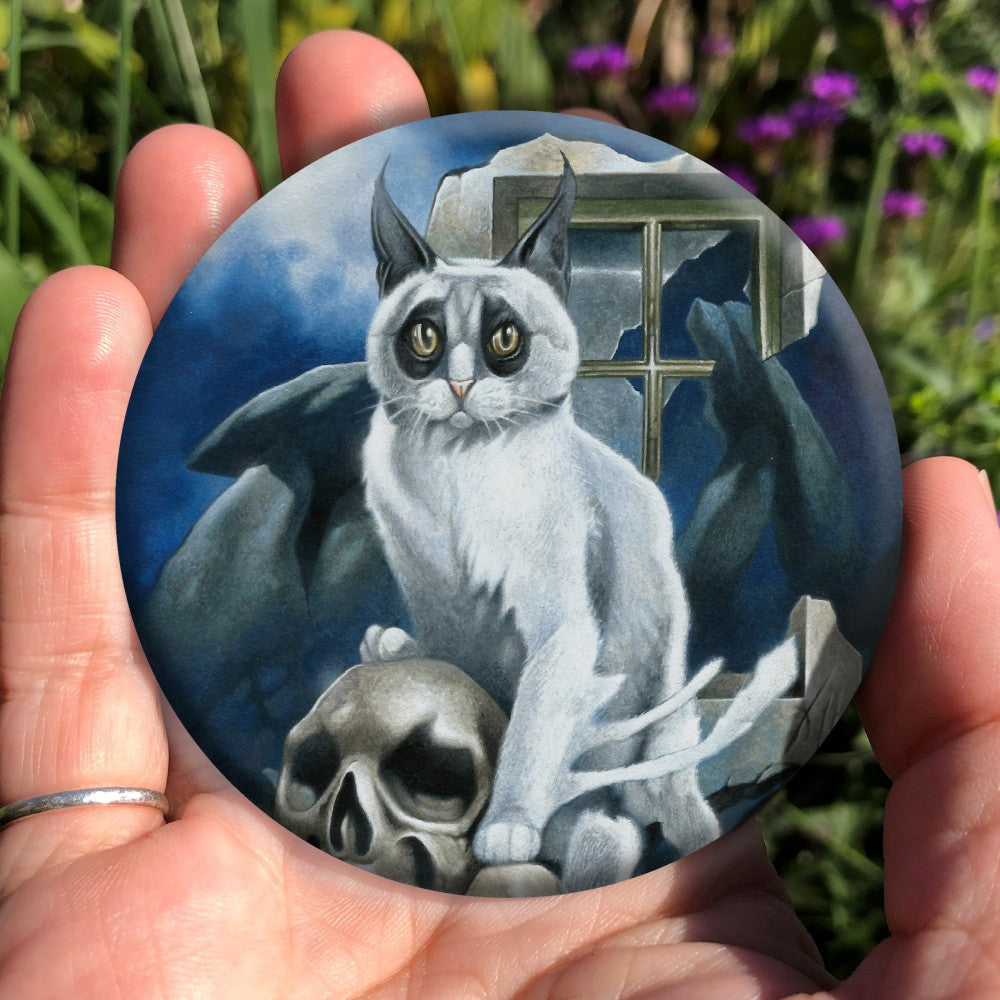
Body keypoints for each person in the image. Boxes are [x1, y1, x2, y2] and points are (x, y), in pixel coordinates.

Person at [0, 30, 998, 999]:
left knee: (611, 619)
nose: (465, 378)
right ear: (392, 308)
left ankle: (658, 784)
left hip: (614, 633)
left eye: (503, 344)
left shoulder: (559, 467)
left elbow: (567, 640)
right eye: (429, 340)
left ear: (551, 313)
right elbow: (456, 590)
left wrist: (518, 806)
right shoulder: (382, 455)